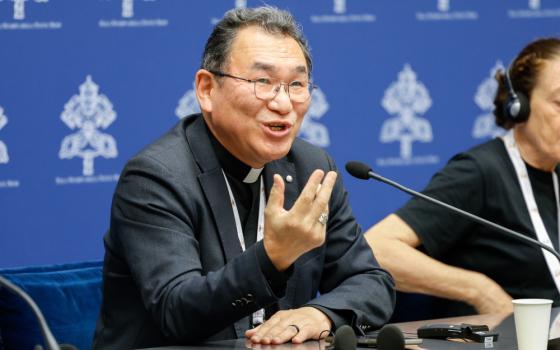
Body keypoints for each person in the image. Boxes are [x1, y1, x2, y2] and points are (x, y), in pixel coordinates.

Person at [92, 6, 395, 349]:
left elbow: (372, 282)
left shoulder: (312, 168)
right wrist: (272, 258)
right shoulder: (156, 177)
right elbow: (178, 312)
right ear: (207, 89)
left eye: (296, 84)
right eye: (262, 82)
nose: (283, 103)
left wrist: (320, 314)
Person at [366, 37, 560, 318]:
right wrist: (479, 290)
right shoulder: (481, 172)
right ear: (521, 106)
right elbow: (378, 248)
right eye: (559, 102)